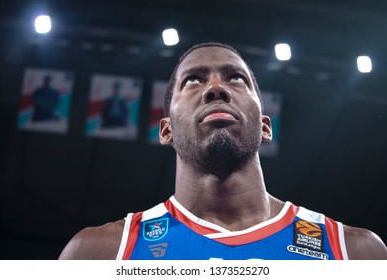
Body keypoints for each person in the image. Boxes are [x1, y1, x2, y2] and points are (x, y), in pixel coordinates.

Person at [59, 42, 387, 260]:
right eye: (193, 81)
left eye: (236, 79)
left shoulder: (356, 252)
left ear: (264, 126)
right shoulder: (98, 254)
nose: (216, 88)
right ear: (166, 130)